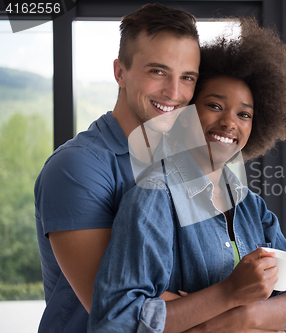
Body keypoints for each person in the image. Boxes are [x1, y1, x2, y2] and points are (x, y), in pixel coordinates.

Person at [88, 19, 286, 333]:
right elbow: (116, 319)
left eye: (244, 114)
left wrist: (240, 318)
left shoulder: (252, 208)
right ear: (183, 114)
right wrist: (229, 294)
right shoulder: (154, 198)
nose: (229, 123)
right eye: (214, 105)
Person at [34, 4, 200, 332]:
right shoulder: (76, 168)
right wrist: (234, 303)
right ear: (120, 72)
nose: (174, 92)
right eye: (158, 71)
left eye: (187, 77)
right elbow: (116, 308)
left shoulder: (185, 162)